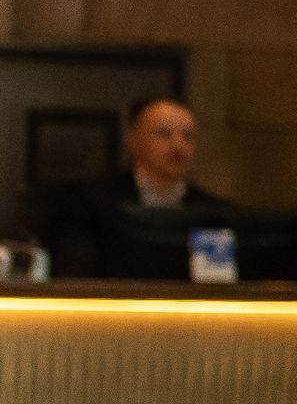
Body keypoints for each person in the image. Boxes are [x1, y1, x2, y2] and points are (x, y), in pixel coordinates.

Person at [36, 96, 234, 279]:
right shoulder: (89, 203)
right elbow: (72, 276)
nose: (178, 146)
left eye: (187, 136)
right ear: (132, 139)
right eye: (164, 134)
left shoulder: (214, 213)